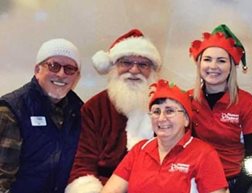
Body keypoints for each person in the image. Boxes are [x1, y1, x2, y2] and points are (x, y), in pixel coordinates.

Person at [65, 29, 161, 193]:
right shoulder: (94, 108)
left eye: (143, 64)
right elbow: (84, 162)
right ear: (114, 66)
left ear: (151, 70)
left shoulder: (167, 105)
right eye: (126, 63)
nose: (134, 70)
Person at [189, 24, 252, 193]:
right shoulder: (188, 101)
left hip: (249, 174)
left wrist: (237, 190)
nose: (213, 66)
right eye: (207, 59)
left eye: (221, 61)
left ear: (231, 67)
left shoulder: (247, 103)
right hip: (208, 177)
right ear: (199, 64)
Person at [101, 79, 228, 193]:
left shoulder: (204, 154)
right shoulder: (139, 150)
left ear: (186, 119)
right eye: (156, 111)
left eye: (170, 111)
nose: (161, 118)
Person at [0, 38, 83, 193]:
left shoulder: (80, 111)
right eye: (53, 66)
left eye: (69, 69)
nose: (61, 74)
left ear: (76, 77)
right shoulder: (11, 109)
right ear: (37, 70)